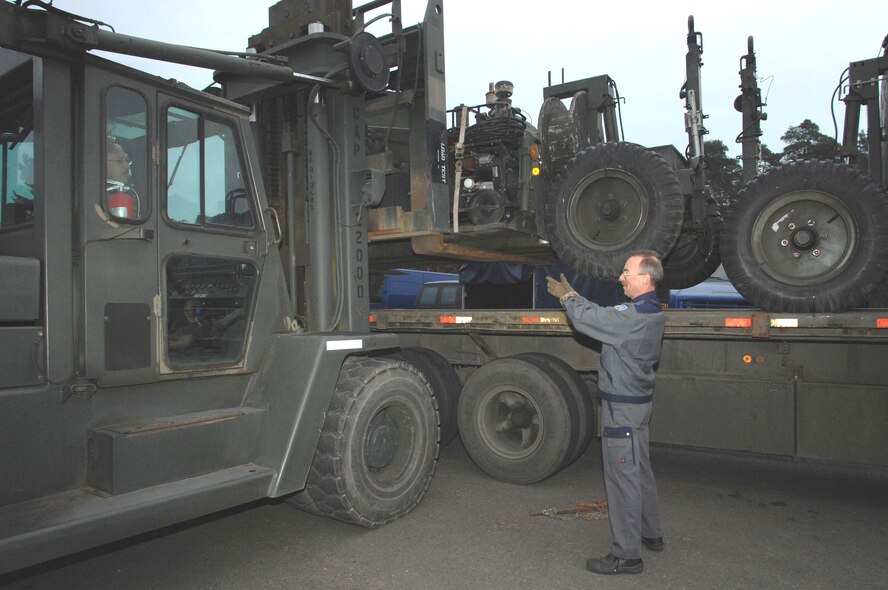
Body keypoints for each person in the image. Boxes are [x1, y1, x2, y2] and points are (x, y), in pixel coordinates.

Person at [546, 250, 666, 576]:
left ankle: (627, 555)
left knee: (622, 479)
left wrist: (568, 297)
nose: (621, 277)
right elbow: (606, 316)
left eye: (627, 271)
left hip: (622, 408)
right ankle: (650, 533)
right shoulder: (649, 310)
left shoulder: (634, 315)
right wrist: (577, 297)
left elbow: (593, 320)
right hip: (638, 405)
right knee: (640, 472)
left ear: (645, 278)